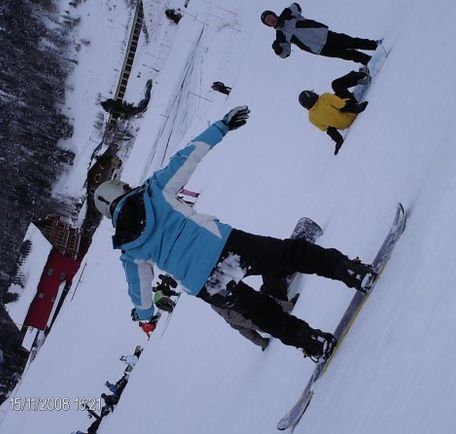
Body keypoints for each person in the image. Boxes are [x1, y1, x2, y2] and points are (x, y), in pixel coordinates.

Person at [93, 106, 375, 361]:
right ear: (122, 189)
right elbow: (188, 156)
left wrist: (145, 317)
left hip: (206, 283)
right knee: (291, 255)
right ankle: (351, 271)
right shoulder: (154, 190)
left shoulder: (129, 250)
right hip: (225, 246)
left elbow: (140, 293)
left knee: (264, 314)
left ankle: (313, 342)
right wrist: (221, 127)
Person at [260, 3, 380, 66]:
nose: (270, 20)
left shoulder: (287, 15)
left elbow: (296, 6)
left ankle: (375, 45)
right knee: (346, 54)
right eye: (267, 21)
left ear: (273, 14)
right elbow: (285, 54)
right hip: (318, 49)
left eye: (270, 17)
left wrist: (286, 12)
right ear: (269, 25)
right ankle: (369, 61)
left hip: (323, 34)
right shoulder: (280, 37)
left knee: (350, 42)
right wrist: (277, 50)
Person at [298, 70, 370, 155]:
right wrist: (357, 109)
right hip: (352, 112)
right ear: (312, 95)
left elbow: (329, 130)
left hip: (344, 125)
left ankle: (353, 74)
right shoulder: (324, 97)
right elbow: (342, 106)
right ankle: (362, 75)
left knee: (335, 96)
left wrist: (338, 141)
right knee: (336, 84)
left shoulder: (311, 117)